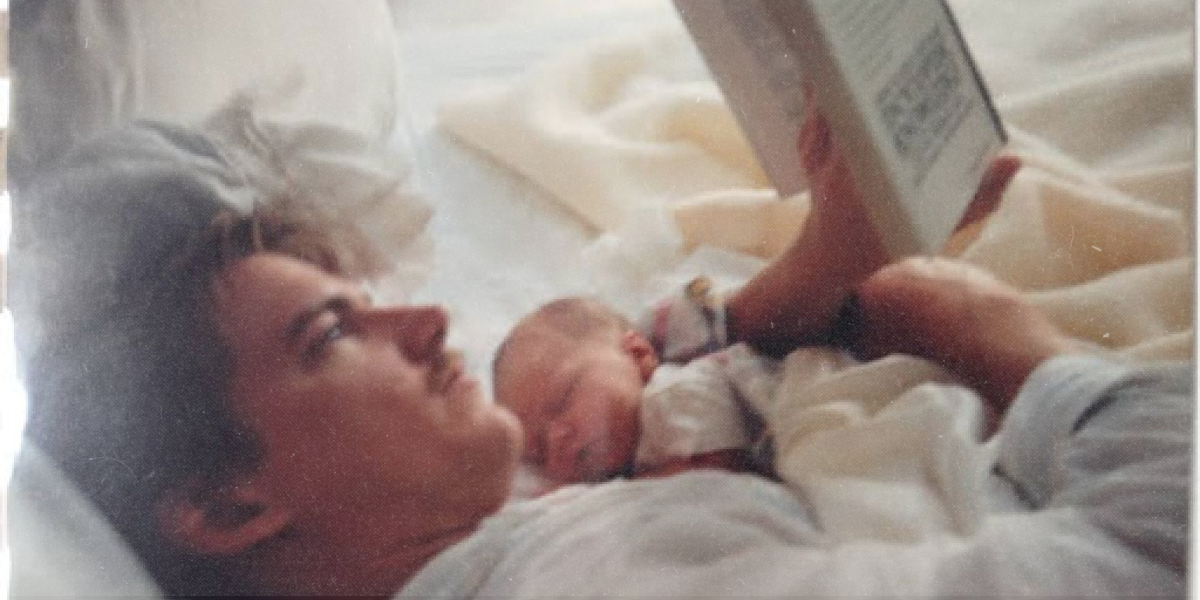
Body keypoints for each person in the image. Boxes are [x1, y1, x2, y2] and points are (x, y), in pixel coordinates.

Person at [16, 109, 1188, 597]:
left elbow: (640, 328)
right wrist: (965, 321)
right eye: (331, 337)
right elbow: (1160, 538)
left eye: (362, 301)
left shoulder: (492, 505)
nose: (425, 323)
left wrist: (820, 267)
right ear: (226, 508)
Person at [493, 292, 794, 486]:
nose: (558, 438)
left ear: (637, 356)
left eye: (563, 398)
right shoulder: (633, 451)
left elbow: (714, 473)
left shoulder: (675, 393)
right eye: (540, 450)